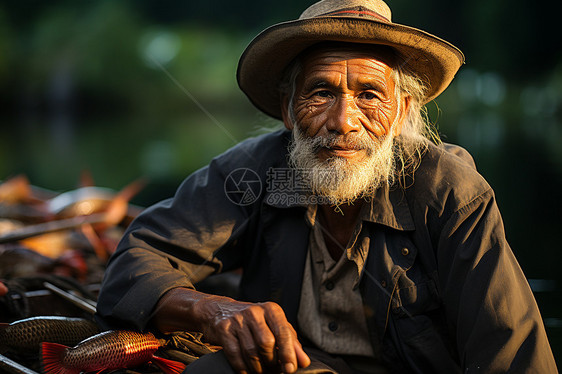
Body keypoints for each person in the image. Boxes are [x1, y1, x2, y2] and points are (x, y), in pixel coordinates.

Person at [96, 0, 557, 373]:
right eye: (320, 92)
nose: (343, 122)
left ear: (400, 112)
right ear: (288, 108)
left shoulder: (450, 192)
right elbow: (136, 261)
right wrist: (213, 310)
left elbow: (512, 353)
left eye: (369, 95)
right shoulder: (255, 172)